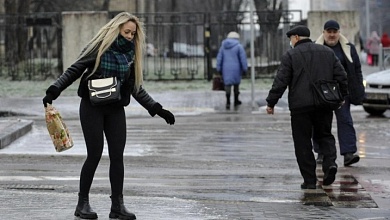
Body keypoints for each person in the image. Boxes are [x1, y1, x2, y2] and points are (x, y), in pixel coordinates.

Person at [42, 12, 175, 220]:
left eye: (133, 33)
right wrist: (54, 90)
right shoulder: (99, 47)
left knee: (117, 156)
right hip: (91, 107)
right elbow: (74, 70)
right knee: (94, 155)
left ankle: (117, 206)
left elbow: (136, 88)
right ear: (117, 30)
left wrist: (157, 108)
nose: (130, 36)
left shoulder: (129, 54)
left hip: (115, 110)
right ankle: (82, 204)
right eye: (127, 32)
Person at [265, 25, 348, 189]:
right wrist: (341, 96)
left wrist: (271, 102)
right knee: (324, 136)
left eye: (291, 38)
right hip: (324, 104)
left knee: (302, 142)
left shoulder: (290, 55)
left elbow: (281, 81)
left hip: (300, 107)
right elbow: (342, 76)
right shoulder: (327, 52)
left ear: (296, 37)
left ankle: (309, 180)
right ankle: (330, 163)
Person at [314, 20, 365, 167]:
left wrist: (359, 88)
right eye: (329, 32)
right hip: (322, 92)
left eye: (334, 32)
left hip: (343, 92)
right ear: (323, 33)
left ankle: (348, 153)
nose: (331, 35)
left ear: (338, 33)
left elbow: (356, 70)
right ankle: (322, 153)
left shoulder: (348, 48)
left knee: (345, 120)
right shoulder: (316, 48)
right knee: (321, 122)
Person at [216, 31, 248, 109]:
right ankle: (236, 100)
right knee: (236, 85)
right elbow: (243, 59)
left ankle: (228, 102)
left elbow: (219, 58)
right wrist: (245, 69)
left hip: (225, 69)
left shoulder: (223, 47)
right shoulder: (239, 47)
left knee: (227, 85)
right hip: (236, 69)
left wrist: (219, 68)